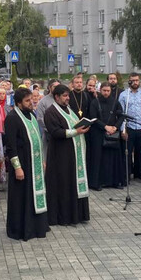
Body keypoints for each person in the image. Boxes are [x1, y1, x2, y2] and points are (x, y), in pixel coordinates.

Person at [4, 87, 49, 241]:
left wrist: (42, 159)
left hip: (34, 163)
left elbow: (37, 139)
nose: (31, 103)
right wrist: (17, 167)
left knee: (34, 195)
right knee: (21, 197)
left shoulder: (31, 115)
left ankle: (37, 226)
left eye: (31, 100)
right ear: (18, 103)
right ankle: (22, 229)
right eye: (27, 101)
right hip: (22, 164)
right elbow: (10, 146)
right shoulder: (12, 118)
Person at [43, 85, 91, 226]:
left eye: (68, 95)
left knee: (73, 181)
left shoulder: (68, 109)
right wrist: (76, 132)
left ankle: (78, 214)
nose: (67, 98)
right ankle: (64, 216)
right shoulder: (51, 112)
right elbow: (55, 132)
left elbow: (74, 124)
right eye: (64, 96)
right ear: (56, 97)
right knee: (64, 183)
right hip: (61, 154)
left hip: (73, 153)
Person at [87, 82, 125, 189]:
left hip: (112, 133)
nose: (106, 93)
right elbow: (93, 118)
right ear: (100, 90)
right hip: (98, 133)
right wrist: (105, 127)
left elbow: (121, 116)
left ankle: (114, 182)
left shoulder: (115, 102)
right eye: (104, 91)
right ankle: (97, 183)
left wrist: (115, 127)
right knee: (98, 158)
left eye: (108, 91)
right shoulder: (95, 102)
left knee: (113, 158)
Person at [119, 73, 141, 187]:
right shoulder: (124, 95)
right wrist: (123, 129)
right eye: (133, 80)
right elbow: (121, 114)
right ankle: (126, 177)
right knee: (127, 153)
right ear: (129, 82)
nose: (135, 82)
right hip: (129, 127)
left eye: (137, 80)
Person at [35, 79, 61, 159]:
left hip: (62, 135)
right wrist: (52, 129)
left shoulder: (62, 99)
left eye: (58, 86)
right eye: (54, 86)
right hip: (49, 135)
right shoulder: (43, 102)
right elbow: (40, 119)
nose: (57, 88)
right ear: (49, 87)